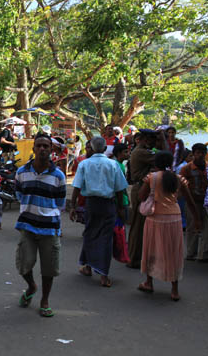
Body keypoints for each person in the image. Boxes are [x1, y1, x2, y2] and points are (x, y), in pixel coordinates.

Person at [14, 133, 66, 318]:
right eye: (39, 146)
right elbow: (19, 194)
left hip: (49, 227)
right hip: (27, 225)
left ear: (51, 150)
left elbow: (60, 202)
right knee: (23, 264)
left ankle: (45, 300)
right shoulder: (21, 173)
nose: (43, 149)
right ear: (34, 149)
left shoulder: (58, 176)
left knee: (49, 267)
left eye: (46, 146)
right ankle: (31, 286)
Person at [138, 151, 199, 301]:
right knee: (173, 251)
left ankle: (149, 282)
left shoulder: (152, 178)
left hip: (155, 217)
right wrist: (197, 219)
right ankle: (174, 289)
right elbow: (189, 200)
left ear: (155, 163)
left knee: (151, 248)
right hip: (174, 218)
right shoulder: (178, 178)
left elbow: (141, 196)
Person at [70, 136, 128, 287]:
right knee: (106, 238)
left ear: (93, 148)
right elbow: (120, 189)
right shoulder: (113, 164)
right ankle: (103, 274)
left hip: (91, 204)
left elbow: (76, 187)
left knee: (90, 234)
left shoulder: (85, 164)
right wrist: (121, 207)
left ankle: (88, 267)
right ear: (103, 149)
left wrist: (72, 206)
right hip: (108, 204)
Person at [126, 129, 157, 268]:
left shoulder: (140, 150)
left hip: (140, 188)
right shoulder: (142, 152)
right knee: (138, 226)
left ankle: (136, 256)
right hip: (141, 189)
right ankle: (134, 258)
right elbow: (165, 157)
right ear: (146, 139)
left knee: (139, 225)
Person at [180, 143, 208, 262]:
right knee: (192, 226)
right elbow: (182, 186)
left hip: (206, 201)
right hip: (192, 200)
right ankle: (191, 252)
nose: (200, 156)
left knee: (207, 227)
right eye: (197, 153)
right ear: (193, 154)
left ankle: (204, 253)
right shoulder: (187, 169)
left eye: (202, 153)